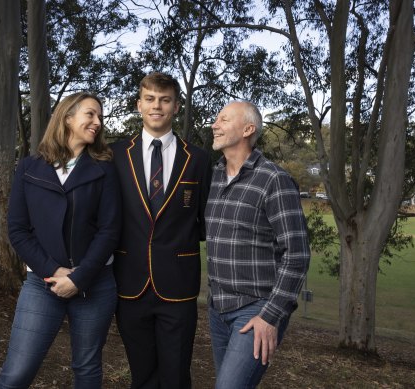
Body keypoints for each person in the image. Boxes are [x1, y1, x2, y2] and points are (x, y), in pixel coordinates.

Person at [0, 92, 121, 389]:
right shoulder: (29, 167)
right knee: (17, 372)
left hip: (95, 284)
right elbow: (18, 230)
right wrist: (53, 270)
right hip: (41, 283)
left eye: (100, 117)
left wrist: (80, 277)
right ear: (67, 118)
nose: (97, 122)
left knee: (87, 370)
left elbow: (109, 230)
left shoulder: (104, 169)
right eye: (90, 114)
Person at [110, 72, 212, 389]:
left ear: (176, 106)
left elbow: (205, 219)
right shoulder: (114, 156)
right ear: (139, 105)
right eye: (151, 99)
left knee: (176, 375)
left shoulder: (198, 158)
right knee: (142, 375)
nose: (157, 106)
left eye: (165, 100)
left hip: (178, 285)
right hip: (130, 281)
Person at [205, 101, 310, 389]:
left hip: (256, 310)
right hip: (218, 308)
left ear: (248, 129)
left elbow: (297, 254)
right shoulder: (214, 177)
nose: (215, 124)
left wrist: (271, 316)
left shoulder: (274, 180)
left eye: (224, 119)